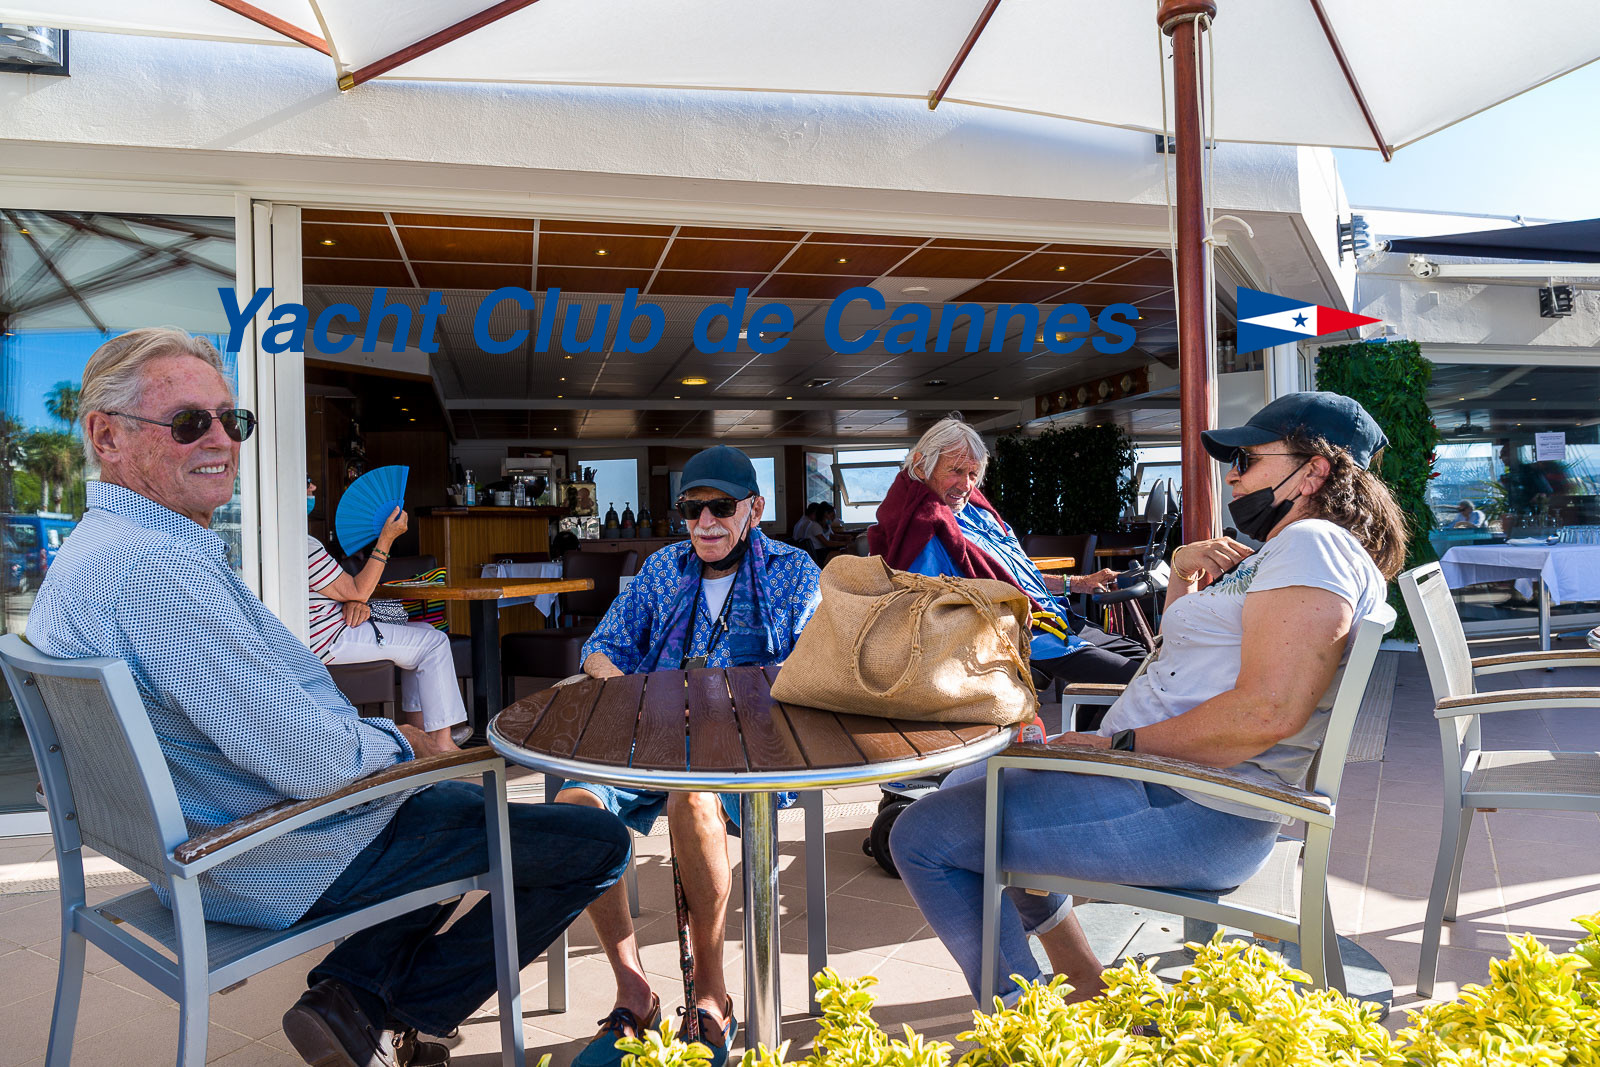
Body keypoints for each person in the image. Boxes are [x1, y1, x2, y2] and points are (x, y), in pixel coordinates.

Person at [27, 328, 630, 1067]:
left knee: (446, 806)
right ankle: (405, 1005)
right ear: (106, 435)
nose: (222, 439)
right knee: (593, 844)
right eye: (190, 423)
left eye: (230, 419)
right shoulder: (154, 572)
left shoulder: (89, 554)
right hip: (268, 854)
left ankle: (353, 997)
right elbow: (315, 765)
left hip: (207, 840)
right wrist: (397, 743)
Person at [889, 391, 1406, 1006]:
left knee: (923, 836)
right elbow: (1182, 661)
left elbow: (1269, 711)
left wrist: (1118, 744)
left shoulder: (1314, 545)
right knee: (978, 793)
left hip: (1195, 809)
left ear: (1314, 471)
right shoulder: (1297, 549)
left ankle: (1023, 1025)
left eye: (1246, 458)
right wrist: (1184, 572)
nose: (1233, 475)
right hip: (1178, 789)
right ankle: (1083, 982)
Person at [563, 445, 822, 1067]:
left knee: (691, 798)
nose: (705, 523)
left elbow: (808, 669)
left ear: (753, 510)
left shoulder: (792, 571)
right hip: (651, 736)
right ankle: (634, 989)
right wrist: (630, 687)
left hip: (745, 748)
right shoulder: (662, 569)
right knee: (575, 808)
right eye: (691, 509)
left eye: (721, 508)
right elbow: (602, 650)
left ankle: (711, 996)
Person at [870, 417, 1145, 687]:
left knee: (1146, 660)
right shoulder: (922, 529)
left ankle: (1090, 730)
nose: (966, 486)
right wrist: (1003, 607)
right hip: (1028, 638)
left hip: (1057, 617)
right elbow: (931, 608)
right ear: (920, 466)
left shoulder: (982, 515)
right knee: (1140, 679)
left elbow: (1016, 578)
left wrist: (1077, 583)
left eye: (972, 474)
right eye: (955, 471)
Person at [306, 478, 466, 751]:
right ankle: (442, 745)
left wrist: (351, 601)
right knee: (435, 644)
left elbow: (342, 592)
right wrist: (386, 538)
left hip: (326, 629)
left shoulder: (289, 538)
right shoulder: (303, 544)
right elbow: (358, 589)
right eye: (306, 483)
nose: (313, 488)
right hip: (327, 640)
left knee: (427, 632)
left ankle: (421, 734)